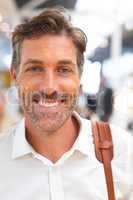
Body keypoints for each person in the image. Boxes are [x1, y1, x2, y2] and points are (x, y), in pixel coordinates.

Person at [0, 7, 133, 199]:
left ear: (79, 77)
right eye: (35, 68)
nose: (49, 87)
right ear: (15, 76)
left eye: (63, 69)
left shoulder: (123, 152)